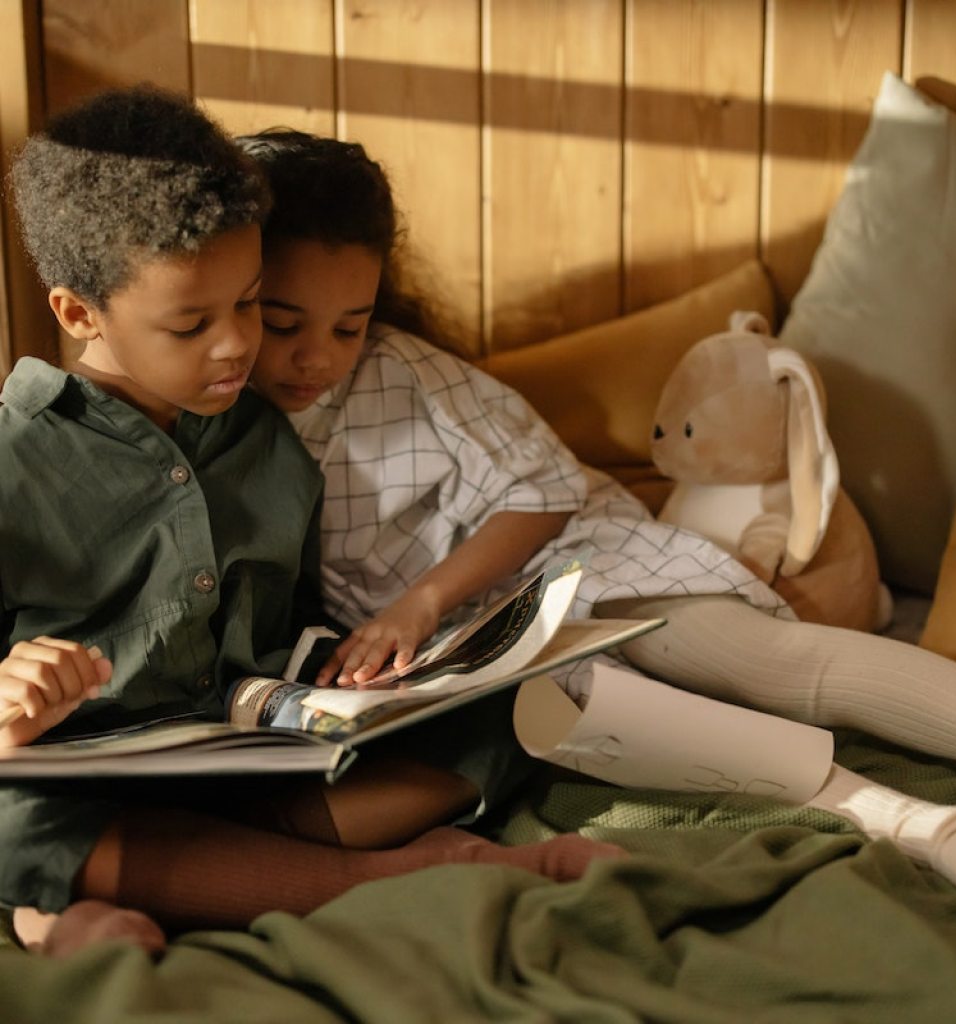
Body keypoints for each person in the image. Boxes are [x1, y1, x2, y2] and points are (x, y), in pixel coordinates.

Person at [240, 127, 956, 944]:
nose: (315, 359)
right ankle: (954, 836)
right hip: (473, 659)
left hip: (576, 563)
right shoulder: (227, 421)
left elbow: (545, 490)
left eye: (348, 326)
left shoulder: (404, 372)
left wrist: (419, 601)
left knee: (767, 665)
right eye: (286, 323)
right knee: (661, 737)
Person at [0, 87, 620, 960]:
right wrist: (11, 696)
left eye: (251, 304)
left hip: (247, 761)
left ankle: (93, 906)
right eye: (192, 323)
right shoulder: (12, 460)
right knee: (10, 818)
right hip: (82, 781)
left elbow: (286, 627)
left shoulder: (270, 444)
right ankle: (402, 876)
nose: (236, 346)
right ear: (78, 313)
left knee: (517, 705)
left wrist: (353, 683)